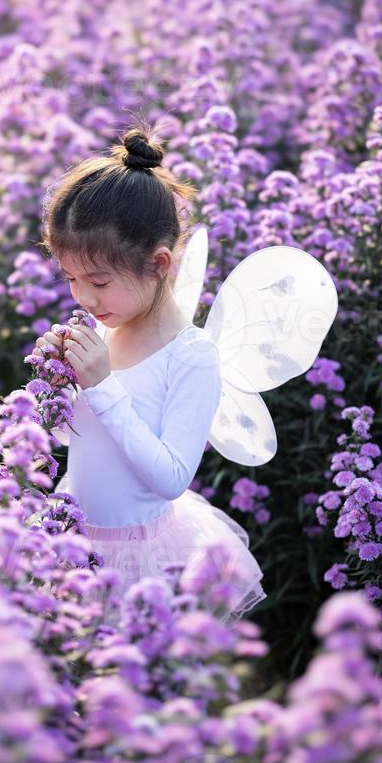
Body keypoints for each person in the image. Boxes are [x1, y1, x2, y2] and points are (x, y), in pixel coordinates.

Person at [36, 122, 266, 625]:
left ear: (159, 263)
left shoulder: (191, 355)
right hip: (71, 542)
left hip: (141, 559)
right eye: (71, 278)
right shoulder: (107, 327)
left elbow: (170, 477)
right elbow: (77, 441)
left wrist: (101, 385)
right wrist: (55, 388)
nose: (83, 298)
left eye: (98, 280)